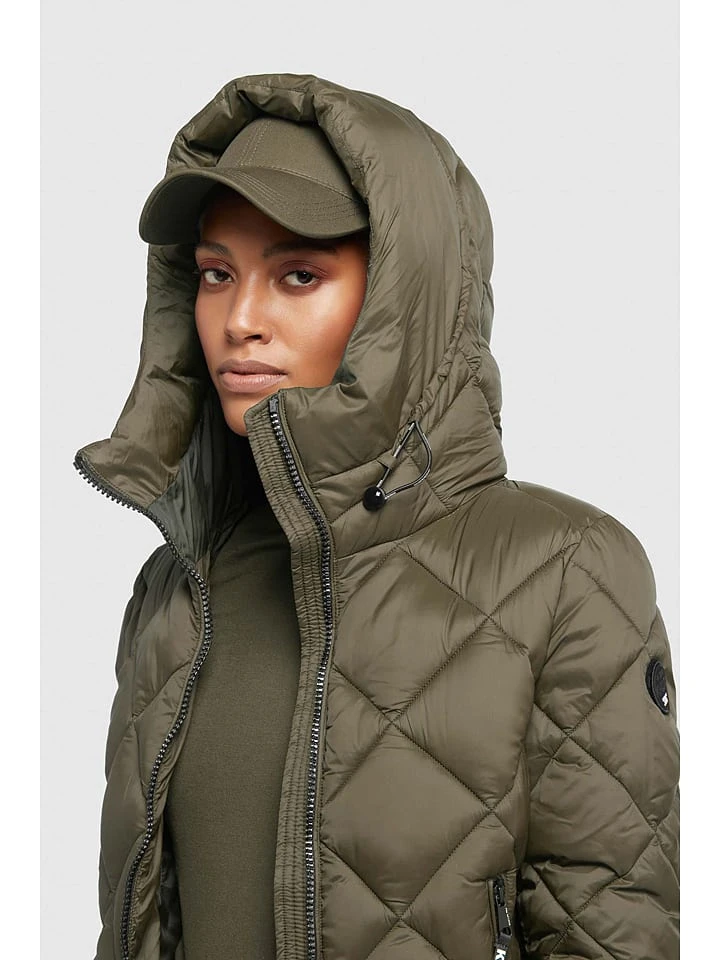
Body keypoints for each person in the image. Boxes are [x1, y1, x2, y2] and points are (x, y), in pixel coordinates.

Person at [74, 73, 680, 960]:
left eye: (299, 275)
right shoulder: (175, 588)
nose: (240, 320)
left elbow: (610, 934)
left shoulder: (567, 570)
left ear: (404, 299)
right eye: (215, 274)